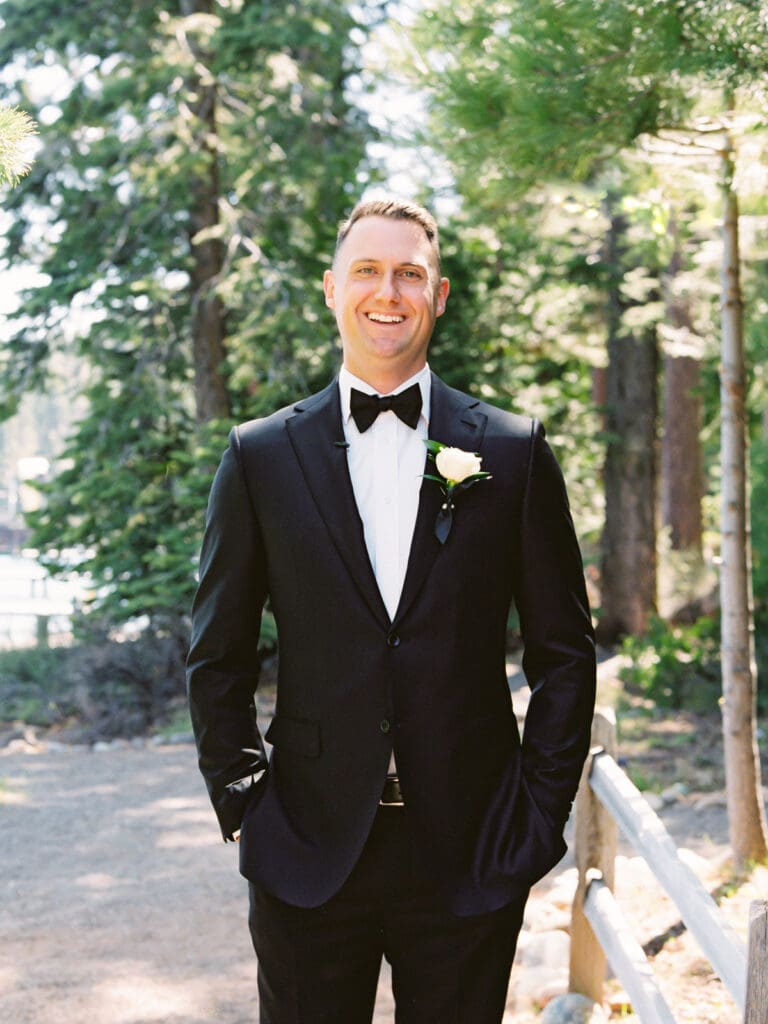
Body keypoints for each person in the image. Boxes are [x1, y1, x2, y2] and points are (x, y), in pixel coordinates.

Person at [187, 197, 596, 1024]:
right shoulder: (261, 456)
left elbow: (565, 656)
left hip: (471, 848)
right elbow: (217, 651)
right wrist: (243, 800)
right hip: (304, 844)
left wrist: (537, 817)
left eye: (410, 273)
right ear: (332, 289)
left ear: (438, 295)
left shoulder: (511, 452)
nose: (389, 291)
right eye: (368, 271)